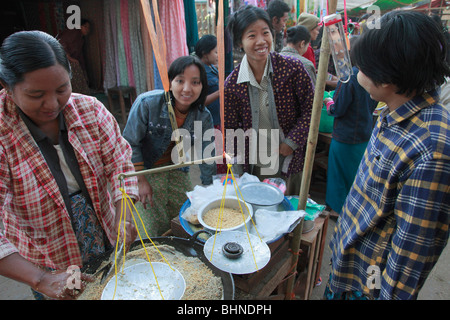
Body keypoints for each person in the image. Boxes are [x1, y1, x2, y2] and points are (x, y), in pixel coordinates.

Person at [0, 31, 139, 300]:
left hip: (103, 232)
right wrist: (41, 279)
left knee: (111, 289)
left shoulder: (90, 110)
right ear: (7, 86)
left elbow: (119, 163)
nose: (52, 104)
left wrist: (123, 212)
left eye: (62, 89)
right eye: (36, 94)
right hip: (47, 257)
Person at [325, 11, 450, 300]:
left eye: (363, 67)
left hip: (368, 288)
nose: (357, 73)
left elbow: (408, 259)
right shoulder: (391, 110)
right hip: (349, 266)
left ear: (390, 74)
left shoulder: (432, 151)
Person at [224, 5, 314, 195]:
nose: (261, 41)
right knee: (260, 207)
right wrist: (237, 171)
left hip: (290, 158)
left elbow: (311, 109)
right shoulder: (232, 84)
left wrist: (292, 142)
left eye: (265, 33)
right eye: (251, 36)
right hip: (256, 161)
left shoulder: (292, 69)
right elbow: (232, 130)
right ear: (240, 42)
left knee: (289, 208)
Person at [122, 56, 216, 237]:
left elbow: (207, 155)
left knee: (188, 218)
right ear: (169, 82)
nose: (187, 89)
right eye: (180, 81)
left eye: (195, 82)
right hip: (147, 169)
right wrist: (140, 180)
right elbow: (129, 143)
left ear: (203, 86)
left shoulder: (203, 116)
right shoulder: (147, 104)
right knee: (148, 227)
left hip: (177, 169)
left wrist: (208, 190)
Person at [323, 36, 378, 218]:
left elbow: (337, 109)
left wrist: (327, 100)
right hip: (364, 133)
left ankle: (337, 210)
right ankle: (351, 208)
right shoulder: (374, 74)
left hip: (345, 137)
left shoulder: (350, 77)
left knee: (338, 174)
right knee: (355, 174)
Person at [57, 19, 91, 94]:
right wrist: (69, 57)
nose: (87, 30)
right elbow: (61, 42)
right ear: (80, 26)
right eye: (85, 27)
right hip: (64, 60)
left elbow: (79, 55)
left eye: (88, 28)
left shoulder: (80, 38)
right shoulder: (73, 32)